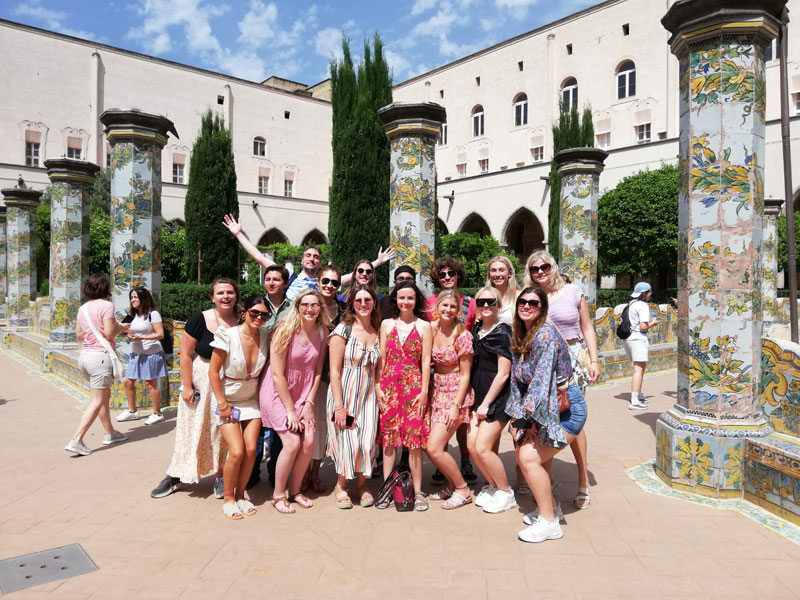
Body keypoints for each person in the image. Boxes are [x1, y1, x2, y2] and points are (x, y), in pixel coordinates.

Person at [507, 287, 587, 543]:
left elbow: (541, 383)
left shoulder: (544, 335)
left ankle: (550, 522)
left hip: (566, 409)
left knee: (528, 458)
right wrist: (516, 419)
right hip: (545, 408)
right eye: (523, 301)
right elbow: (516, 382)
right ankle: (551, 509)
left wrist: (527, 421)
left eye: (534, 303)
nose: (527, 306)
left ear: (542, 309)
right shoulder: (520, 334)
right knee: (526, 455)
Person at [150, 278, 240, 499]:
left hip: (230, 381)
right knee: (191, 428)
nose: (225, 296)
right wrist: (187, 385)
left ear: (236, 295)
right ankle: (177, 474)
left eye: (230, 292)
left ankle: (221, 475)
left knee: (222, 430)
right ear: (212, 297)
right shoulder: (200, 319)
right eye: (220, 293)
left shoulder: (242, 319)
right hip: (202, 380)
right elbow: (185, 355)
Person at [525, 250, 599, 510]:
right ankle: (547, 481)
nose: (540, 271)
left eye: (544, 266)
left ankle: (583, 481)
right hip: (545, 362)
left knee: (571, 415)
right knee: (546, 419)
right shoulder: (531, 297)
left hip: (573, 358)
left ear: (553, 267)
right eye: (535, 268)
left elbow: (587, 327)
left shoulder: (572, 291)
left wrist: (595, 360)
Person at [260, 289, 329, 513]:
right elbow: (277, 374)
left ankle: (295, 490)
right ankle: (278, 495)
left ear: (320, 308)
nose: (310, 309)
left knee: (308, 441)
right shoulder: (285, 329)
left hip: (303, 393)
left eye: (314, 305)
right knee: (292, 443)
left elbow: (317, 372)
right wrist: (290, 410)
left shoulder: (323, 331)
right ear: (297, 307)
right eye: (305, 304)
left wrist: (309, 404)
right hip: (277, 392)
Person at [222, 214, 394, 301]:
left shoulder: (327, 282)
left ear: (320, 262)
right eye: (308, 255)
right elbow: (259, 257)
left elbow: (358, 273)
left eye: (316, 256)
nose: (312, 258)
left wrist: (378, 262)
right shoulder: (289, 277)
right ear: (302, 259)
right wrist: (238, 234)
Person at [208, 295, 271, 519]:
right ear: (244, 312)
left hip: (251, 400)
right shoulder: (227, 335)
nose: (259, 318)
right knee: (236, 451)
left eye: (264, 315)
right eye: (254, 312)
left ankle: (241, 494)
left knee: (252, 450)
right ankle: (228, 498)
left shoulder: (266, 335)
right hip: (227, 400)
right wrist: (222, 402)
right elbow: (213, 372)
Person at [375, 281, 433, 511]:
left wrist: (424, 391)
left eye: (410, 298)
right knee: (389, 441)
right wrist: (378, 387)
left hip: (414, 387)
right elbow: (381, 358)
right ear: (395, 300)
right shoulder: (386, 324)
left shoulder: (424, 326)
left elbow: (426, 361)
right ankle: (387, 490)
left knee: (414, 442)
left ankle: (418, 492)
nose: (406, 302)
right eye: (402, 298)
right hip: (389, 385)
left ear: (416, 300)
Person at [327, 285, 381, 508]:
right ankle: (341, 486)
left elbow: (379, 369)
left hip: (369, 395)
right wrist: (339, 406)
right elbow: (334, 371)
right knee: (347, 441)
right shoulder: (343, 330)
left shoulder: (378, 331)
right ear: (351, 304)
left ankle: (361, 485)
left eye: (367, 300)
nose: (363, 304)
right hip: (345, 393)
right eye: (358, 300)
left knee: (367, 442)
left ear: (374, 303)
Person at [65, 274, 130, 455]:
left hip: (85, 357)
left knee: (103, 397)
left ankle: (110, 433)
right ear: (105, 289)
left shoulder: (83, 308)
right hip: (100, 357)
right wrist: (122, 327)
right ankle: (77, 439)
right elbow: (109, 332)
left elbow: (79, 335)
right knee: (97, 400)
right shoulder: (107, 306)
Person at [426, 257, 477, 484]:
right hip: (437, 385)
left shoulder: (465, 326)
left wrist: (457, 404)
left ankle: (462, 479)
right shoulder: (430, 326)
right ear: (436, 308)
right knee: (436, 438)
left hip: (457, 384)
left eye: (451, 274)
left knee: (448, 435)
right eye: (442, 274)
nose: (447, 277)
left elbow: (466, 372)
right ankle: (447, 473)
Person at [467, 286, 516, 514]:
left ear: (498, 305)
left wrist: (486, 403)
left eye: (491, 302)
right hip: (478, 394)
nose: (486, 306)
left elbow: (503, 374)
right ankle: (493, 485)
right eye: (481, 302)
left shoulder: (503, 333)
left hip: (496, 398)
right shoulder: (477, 329)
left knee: (483, 448)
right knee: (472, 446)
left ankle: (506, 492)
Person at [303, 265, 346, 494]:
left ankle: (315, 472)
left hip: (336, 374)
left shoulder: (344, 309)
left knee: (323, 424)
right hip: (310, 374)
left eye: (335, 282)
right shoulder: (309, 305)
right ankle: (302, 472)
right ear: (318, 281)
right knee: (308, 424)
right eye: (326, 281)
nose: (330, 285)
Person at [253, 264, 292, 489]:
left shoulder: (293, 308)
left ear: (285, 283)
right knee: (257, 425)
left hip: (282, 372)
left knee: (279, 425)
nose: (271, 283)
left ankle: (276, 472)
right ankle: (251, 472)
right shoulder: (257, 306)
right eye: (268, 279)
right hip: (256, 370)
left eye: (276, 279)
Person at [117, 287, 167, 425]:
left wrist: (141, 338)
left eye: (135, 297)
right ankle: (132, 411)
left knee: (151, 384)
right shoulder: (133, 316)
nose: (133, 300)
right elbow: (129, 330)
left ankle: (157, 413)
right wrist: (125, 334)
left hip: (151, 353)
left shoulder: (153, 314)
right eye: (131, 297)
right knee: (127, 381)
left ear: (143, 299)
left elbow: (160, 334)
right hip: (137, 354)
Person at [625, 282, 658, 411]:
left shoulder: (631, 304)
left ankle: (637, 394)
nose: (650, 294)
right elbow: (643, 326)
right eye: (649, 292)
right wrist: (653, 323)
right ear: (644, 293)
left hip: (628, 338)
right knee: (638, 369)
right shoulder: (643, 306)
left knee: (639, 368)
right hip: (638, 339)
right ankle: (634, 401)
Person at [486, 255, 520, 326]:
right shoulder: (484, 298)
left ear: (510, 273)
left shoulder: (520, 296)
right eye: (493, 270)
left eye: (501, 270)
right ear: (489, 274)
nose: (497, 274)